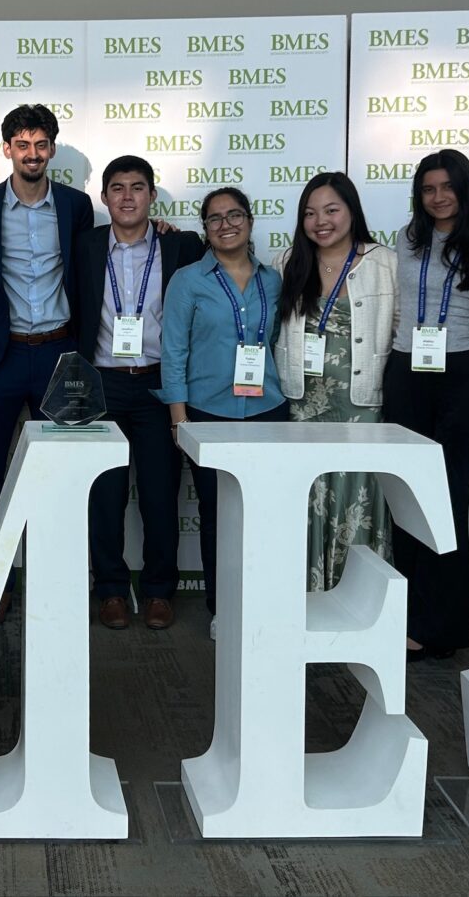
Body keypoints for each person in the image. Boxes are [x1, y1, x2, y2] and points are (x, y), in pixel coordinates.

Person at [0, 104, 95, 621]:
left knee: (58, 474)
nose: (32, 154)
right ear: (7, 149)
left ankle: (54, 581)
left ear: (52, 150)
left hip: (61, 354)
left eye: (41, 145)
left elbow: (99, 257)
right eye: (23, 145)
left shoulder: (77, 206)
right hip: (1, 355)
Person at [382, 148, 469, 660]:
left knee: (453, 501)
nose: (438, 198)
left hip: (463, 378)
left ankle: (445, 628)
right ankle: (408, 620)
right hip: (407, 373)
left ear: (465, 190)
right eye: (428, 189)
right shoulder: (405, 242)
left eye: (447, 188)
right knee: (408, 496)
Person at [74, 156, 205, 631]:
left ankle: (158, 591)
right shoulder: (84, 246)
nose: (127, 197)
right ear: (105, 198)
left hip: (158, 384)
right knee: (104, 495)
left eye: (137, 187)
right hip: (102, 384)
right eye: (117, 188)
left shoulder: (182, 246)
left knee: (159, 493)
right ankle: (109, 589)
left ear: (152, 195)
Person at [159, 187, 288, 639]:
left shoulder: (274, 279)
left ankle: (265, 603)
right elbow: (173, 351)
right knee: (217, 516)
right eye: (214, 219)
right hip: (207, 413)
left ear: (250, 222)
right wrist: (178, 417)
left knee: (266, 515)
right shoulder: (188, 280)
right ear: (205, 230)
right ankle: (224, 608)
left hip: (268, 410)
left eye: (235, 215)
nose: (226, 224)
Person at [273, 172, 398, 591]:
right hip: (303, 404)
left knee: (355, 499)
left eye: (331, 210)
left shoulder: (385, 263)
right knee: (308, 498)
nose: (320, 221)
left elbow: (401, 328)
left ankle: (358, 599)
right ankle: (305, 600)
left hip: (360, 405)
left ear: (351, 212)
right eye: (309, 213)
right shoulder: (288, 262)